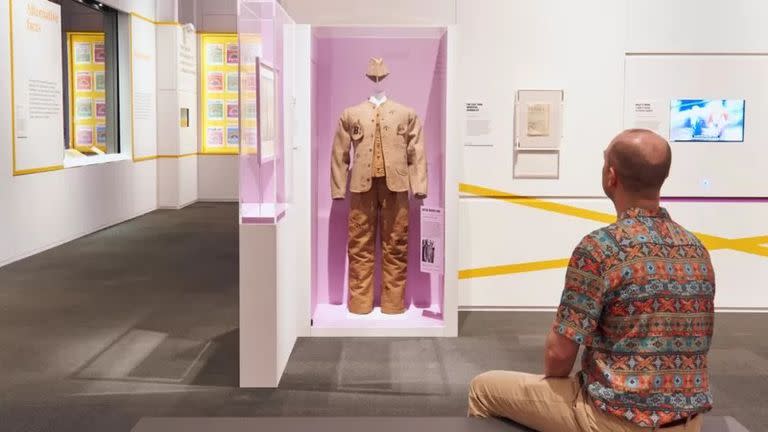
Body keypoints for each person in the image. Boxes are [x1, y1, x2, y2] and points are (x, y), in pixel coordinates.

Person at [468, 129, 715, 431]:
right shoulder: (695, 247)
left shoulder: (601, 248)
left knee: (483, 389)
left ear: (611, 176)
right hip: (689, 422)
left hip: (616, 419)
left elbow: (559, 356)